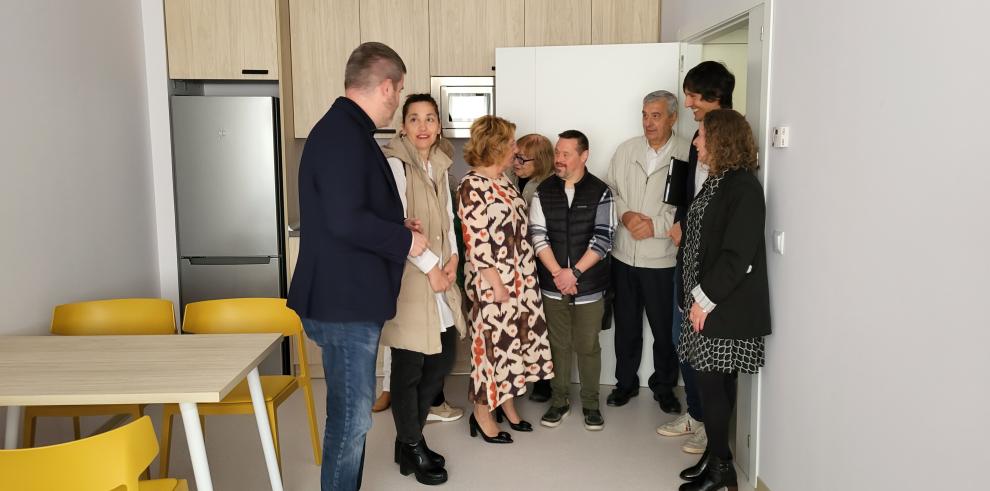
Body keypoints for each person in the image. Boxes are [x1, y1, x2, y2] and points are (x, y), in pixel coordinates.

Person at [287, 42, 425, 491]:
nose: (397, 101)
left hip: (341, 297)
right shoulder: (343, 135)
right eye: (399, 91)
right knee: (351, 421)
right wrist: (405, 238)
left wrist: (394, 222)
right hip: (343, 304)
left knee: (347, 414)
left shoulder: (342, 130)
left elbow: (345, 211)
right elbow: (346, 222)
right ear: (386, 86)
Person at [676, 109, 770, 491]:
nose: (696, 143)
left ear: (722, 141)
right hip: (704, 302)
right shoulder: (716, 181)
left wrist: (703, 301)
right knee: (713, 386)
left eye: (701, 136)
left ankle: (721, 470)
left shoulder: (743, 187)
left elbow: (737, 256)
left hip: (721, 306)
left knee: (713, 388)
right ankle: (714, 456)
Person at [379, 93, 467, 485]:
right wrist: (432, 268)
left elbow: (447, 220)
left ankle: (406, 442)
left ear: (438, 126)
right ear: (403, 125)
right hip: (410, 278)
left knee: (443, 355)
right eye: (414, 118)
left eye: (430, 118)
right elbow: (396, 227)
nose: (423, 126)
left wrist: (452, 260)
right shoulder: (396, 164)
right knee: (409, 367)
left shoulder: (438, 163)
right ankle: (412, 445)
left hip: (439, 274)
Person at [457, 115, 554, 444]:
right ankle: (482, 413)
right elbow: (476, 240)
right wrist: (496, 284)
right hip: (493, 281)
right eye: (511, 142)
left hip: (521, 277)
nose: (516, 148)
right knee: (489, 351)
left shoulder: (505, 181)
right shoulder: (472, 185)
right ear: (495, 146)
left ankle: (508, 406)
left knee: (513, 348)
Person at [663, 61, 737, 454]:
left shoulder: (730, 139)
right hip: (686, 254)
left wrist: (689, 227)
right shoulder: (698, 135)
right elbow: (691, 194)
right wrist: (679, 221)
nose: (688, 102)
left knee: (705, 346)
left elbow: (720, 208)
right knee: (682, 337)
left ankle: (711, 427)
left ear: (713, 96)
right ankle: (696, 414)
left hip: (710, 265)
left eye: (692, 95)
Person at [605, 90, 690, 416]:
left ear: (672, 117)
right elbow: (611, 190)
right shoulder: (626, 150)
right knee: (626, 326)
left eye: (656, 115)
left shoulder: (686, 152)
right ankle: (624, 384)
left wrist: (654, 225)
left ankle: (664, 387)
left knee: (664, 330)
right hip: (625, 256)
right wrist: (626, 216)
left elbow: (690, 206)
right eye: (644, 114)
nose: (648, 122)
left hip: (663, 259)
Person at [530, 130, 614, 431]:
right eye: (557, 152)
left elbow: (604, 238)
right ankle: (559, 401)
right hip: (554, 284)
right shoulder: (543, 191)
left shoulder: (601, 191)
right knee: (557, 344)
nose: (559, 159)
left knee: (588, 345)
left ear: (584, 155)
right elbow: (538, 236)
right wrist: (558, 273)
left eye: (566, 153)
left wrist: (574, 273)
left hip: (588, 285)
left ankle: (591, 404)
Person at [512, 132, 555, 403]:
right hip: (518, 262)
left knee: (542, 325)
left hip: (539, 263)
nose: (515, 162)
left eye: (522, 159)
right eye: (514, 156)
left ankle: (544, 382)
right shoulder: (510, 178)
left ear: (539, 161)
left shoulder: (547, 186)